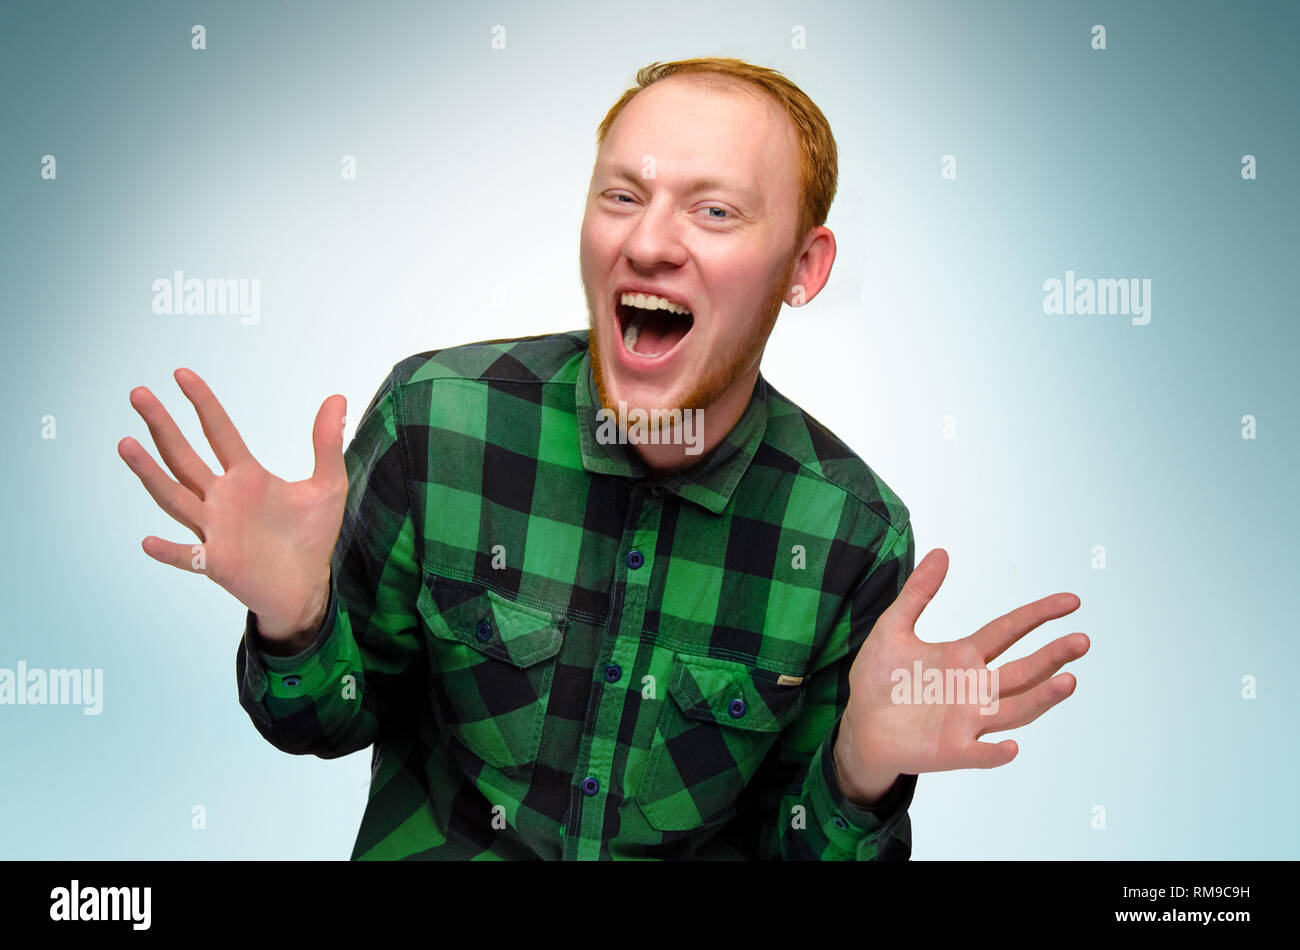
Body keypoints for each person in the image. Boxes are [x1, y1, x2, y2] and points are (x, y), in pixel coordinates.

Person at [118, 58, 1089, 860]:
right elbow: (321, 723)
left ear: (804, 266)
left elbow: (803, 850)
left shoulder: (847, 532)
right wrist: (293, 622)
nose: (650, 241)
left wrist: (859, 773)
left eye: (714, 212)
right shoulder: (439, 421)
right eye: (622, 195)